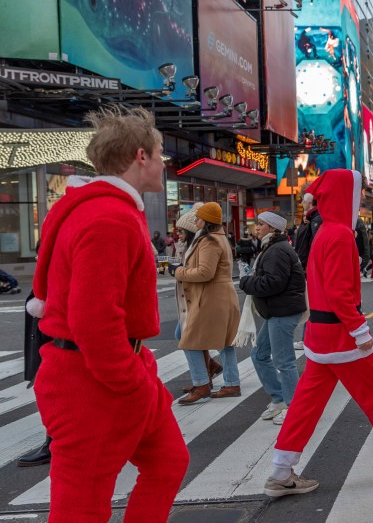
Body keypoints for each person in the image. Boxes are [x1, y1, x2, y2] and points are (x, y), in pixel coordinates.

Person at [27, 106, 188, 521]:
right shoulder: (109, 218)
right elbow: (94, 320)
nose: (163, 163)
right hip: (92, 380)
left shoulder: (102, 209)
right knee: (81, 504)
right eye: (160, 153)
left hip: (115, 369)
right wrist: (133, 382)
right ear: (140, 156)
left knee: (168, 461)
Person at [268, 170, 373, 498]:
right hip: (342, 337)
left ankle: (281, 470)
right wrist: (360, 330)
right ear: (345, 196)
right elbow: (340, 293)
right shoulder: (339, 233)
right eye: (357, 194)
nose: (360, 201)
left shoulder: (324, 231)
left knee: (306, 405)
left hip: (320, 337)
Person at [241, 211, 308, 425]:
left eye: (261, 224)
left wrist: (246, 282)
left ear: (272, 228)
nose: (257, 228)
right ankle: (280, 399)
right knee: (259, 355)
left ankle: (294, 407)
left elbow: (273, 283)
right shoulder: (273, 248)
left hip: (283, 311)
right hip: (276, 311)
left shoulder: (276, 250)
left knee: (284, 361)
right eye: (257, 224)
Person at [173, 202, 242, 404]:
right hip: (218, 296)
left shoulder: (209, 241)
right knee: (224, 342)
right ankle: (230, 382)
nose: (196, 220)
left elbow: (205, 272)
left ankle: (202, 383)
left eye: (199, 217)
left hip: (212, 297)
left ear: (207, 221)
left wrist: (177, 272)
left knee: (189, 338)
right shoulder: (217, 238)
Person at [18, 241, 51, 468]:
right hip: (45, 345)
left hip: (55, 347)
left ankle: (52, 442)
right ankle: (52, 441)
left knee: (51, 395)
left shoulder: (56, 273)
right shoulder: (47, 273)